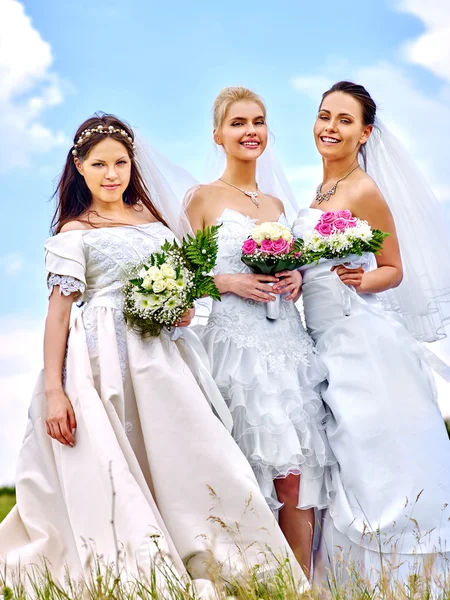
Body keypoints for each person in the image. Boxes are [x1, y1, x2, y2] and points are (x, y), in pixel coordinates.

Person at [0, 113, 308, 595]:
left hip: (162, 358)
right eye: (99, 164)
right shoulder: (74, 230)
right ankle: (139, 561)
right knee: (115, 462)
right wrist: (56, 392)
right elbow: (57, 318)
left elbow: (186, 284)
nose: (111, 174)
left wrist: (183, 308)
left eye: (120, 163)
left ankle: (233, 559)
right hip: (102, 363)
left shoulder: (154, 220)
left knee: (194, 455)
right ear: (78, 167)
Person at [292, 81, 450, 584]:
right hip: (319, 341)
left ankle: (399, 576)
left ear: (364, 133)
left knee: (372, 453)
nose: (330, 128)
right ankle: (348, 580)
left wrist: (364, 279)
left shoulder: (363, 189)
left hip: (359, 339)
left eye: (344, 120)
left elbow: (393, 268)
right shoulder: (317, 192)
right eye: (324, 116)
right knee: (341, 456)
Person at [187, 87, 335, 575]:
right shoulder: (201, 199)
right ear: (218, 135)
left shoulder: (276, 203)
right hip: (233, 349)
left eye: (259, 121)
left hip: (287, 347)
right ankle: (249, 581)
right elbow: (180, 276)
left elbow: (298, 266)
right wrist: (226, 281)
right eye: (238, 123)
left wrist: (296, 276)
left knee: (297, 478)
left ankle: (301, 586)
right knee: (245, 476)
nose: (250, 131)